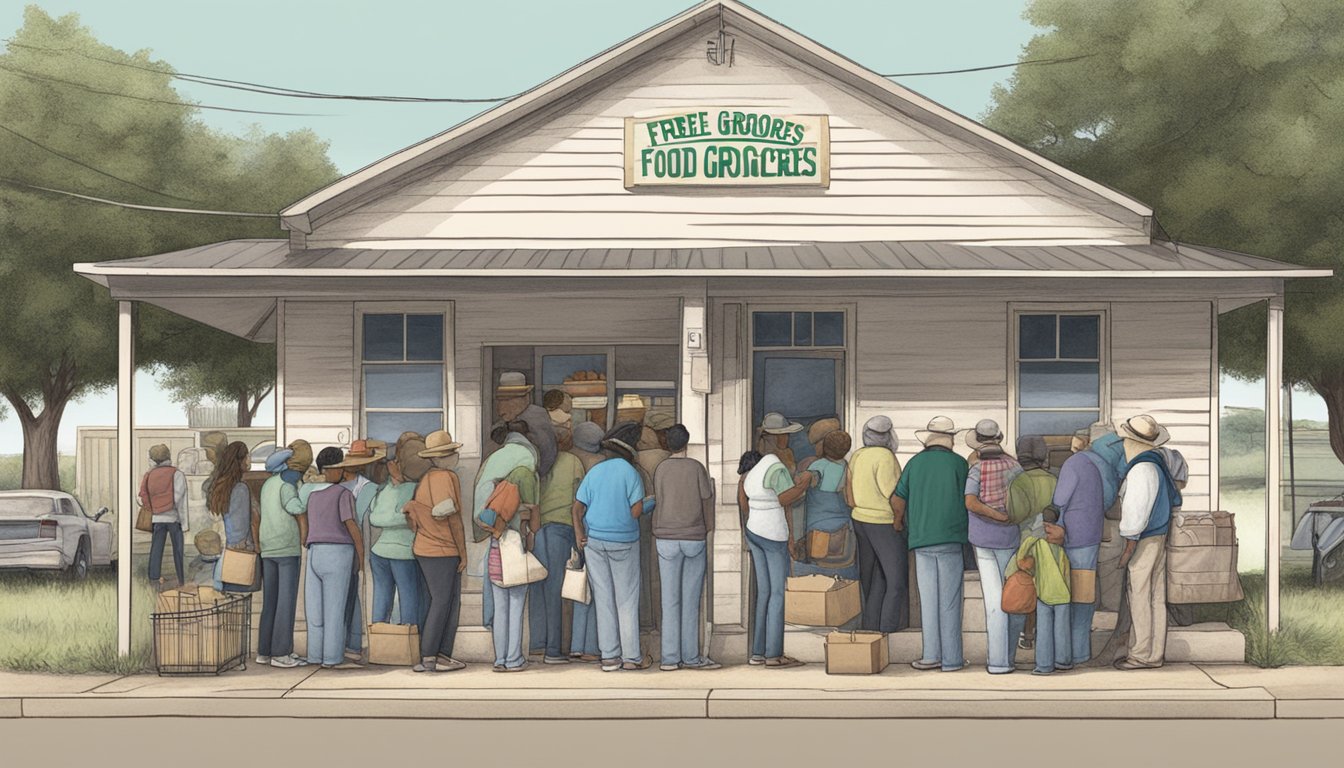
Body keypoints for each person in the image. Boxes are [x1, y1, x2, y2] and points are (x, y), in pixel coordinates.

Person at [573, 422, 652, 672]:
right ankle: (631, 657)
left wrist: (579, 533)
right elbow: (636, 510)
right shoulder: (631, 473)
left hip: (594, 541)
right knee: (626, 600)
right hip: (624, 541)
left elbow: (577, 508)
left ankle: (609, 657)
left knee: (604, 599)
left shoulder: (594, 472)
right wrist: (650, 504)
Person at [895, 417, 970, 672]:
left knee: (928, 601)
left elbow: (898, 499)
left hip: (921, 539)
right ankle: (952, 660)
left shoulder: (914, 463)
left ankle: (930, 656)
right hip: (951, 538)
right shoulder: (960, 463)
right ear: (950, 440)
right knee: (950, 602)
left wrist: (899, 523)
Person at [1115, 414, 1181, 670]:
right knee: (1155, 595)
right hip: (1159, 535)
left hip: (1143, 538)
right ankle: (1154, 654)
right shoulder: (1157, 464)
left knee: (1140, 595)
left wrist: (1128, 547)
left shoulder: (1141, 468)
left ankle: (1140, 654)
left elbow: (1135, 514)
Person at [653, 424, 719, 671]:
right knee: (691, 601)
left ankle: (670, 658)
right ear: (687, 443)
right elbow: (706, 499)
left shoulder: (661, 469)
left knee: (669, 601)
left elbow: (659, 499)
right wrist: (707, 529)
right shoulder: (696, 468)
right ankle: (690, 657)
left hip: (665, 537)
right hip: (693, 537)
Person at [963, 419, 1025, 675]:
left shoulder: (977, 469)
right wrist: (1005, 516)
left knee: (994, 599)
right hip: (1010, 538)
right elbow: (1024, 501)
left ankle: (998, 662)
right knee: (1012, 597)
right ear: (999, 439)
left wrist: (993, 515)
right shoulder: (1015, 467)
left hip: (983, 539)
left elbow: (970, 502)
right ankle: (1008, 657)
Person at [738, 446, 809, 668]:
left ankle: (757, 652)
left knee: (765, 592)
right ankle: (774, 654)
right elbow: (785, 498)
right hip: (772, 534)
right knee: (778, 593)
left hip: (754, 532)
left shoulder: (747, 478)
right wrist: (803, 485)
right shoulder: (775, 469)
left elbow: (743, 504)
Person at [404, 430, 469, 672]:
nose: (455, 456)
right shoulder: (446, 477)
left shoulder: (426, 479)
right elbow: (452, 518)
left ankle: (432, 655)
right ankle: (433, 655)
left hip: (423, 548)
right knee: (446, 603)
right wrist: (463, 553)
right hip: (443, 550)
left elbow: (414, 518)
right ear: (446, 456)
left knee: (434, 602)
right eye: (452, 452)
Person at [1006, 437, 1066, 674]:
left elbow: (1013, 515)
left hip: (1025, 545)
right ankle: (1050, 654)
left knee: (1021, 596)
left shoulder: (1017, 481)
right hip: (1051, 546)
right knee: (1047, 598)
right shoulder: (1055, 480)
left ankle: (1018, 646)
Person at [302, 446, 365, 670]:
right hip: (338, 552)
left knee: (315, 611)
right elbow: (351, 526)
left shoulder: (312, 495)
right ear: (333, 469)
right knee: (335, 610)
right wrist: (360, 555)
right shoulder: (344, 494)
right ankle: (332, 658)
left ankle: (314, 655)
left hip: (314, 552)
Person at [529, 424, 587, 665]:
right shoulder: (573, 461)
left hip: (539, 529)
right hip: (561, 529)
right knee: (555, 590)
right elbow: (580, 499)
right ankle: (554, 650)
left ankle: (537, 643)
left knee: (537, 588)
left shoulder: (539, 463)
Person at [845, 417, 906, 632]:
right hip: (883, 523)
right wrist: (899, 521)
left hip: (860, 520)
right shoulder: (886, 457)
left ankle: (870, 629)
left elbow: (849, 496)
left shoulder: (857, 455)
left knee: (873, 580)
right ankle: (888, 629)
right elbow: (894, 496)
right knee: (895, 580)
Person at [1052, 429, 1107, 667]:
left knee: (1068, 595)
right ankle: (1081, 650)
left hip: (1073, 536)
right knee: (1085, 596)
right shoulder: (1099, 465)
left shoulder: (1073, 464)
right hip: (1092, 534)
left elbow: (1060, 499)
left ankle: (1066, 653)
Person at [368, 434, 429, 630]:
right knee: (395, 596)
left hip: (396, 551)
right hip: (393, 552)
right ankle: (389, 642)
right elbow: (374, 518)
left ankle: (396, 643)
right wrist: (400, 517)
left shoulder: (410, 489)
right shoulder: (388, 489)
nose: (391, 464)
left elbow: (378, 517)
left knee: (400, 597)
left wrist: (394, 518)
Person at [256, 447, 308, 668]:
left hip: (268, 547)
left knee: (270, 601)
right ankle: (281, 653)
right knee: (286, 602)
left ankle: (264, 651)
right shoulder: (288, 485)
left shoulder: (269, 484)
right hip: (286, 547)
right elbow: (295, 507)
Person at [336, 439, 386, 665]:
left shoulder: (342, 487)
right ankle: (352, 645)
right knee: (352, 596)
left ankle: (350, 645)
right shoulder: (369, 488)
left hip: (348, 546)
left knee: (349, 597)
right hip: (356, 544)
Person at [796, 429, 858, 580]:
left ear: (825, 446)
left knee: (818, 572)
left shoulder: (817, 466)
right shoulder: (848, 467)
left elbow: (801, 490)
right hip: (845, 532)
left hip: (818, 532)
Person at [209, 442, 259, 595]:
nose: (249, 460)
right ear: (239, 461)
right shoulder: (241, 489)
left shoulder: (220, 487)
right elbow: (248, 523)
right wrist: (257, 546)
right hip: (243, 553)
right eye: (246, 457)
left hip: (226, 555)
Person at [139, 444, 188, 588]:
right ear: (168, 457)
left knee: (156, 548)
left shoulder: (148, 475)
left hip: (156, 518)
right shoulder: (177, 473)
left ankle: (154, 578)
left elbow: (142, 495)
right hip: (173, 518)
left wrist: (153, 508)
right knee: (178, 549)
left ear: (153, 459)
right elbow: (179, 498)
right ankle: (180, 578)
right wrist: (184, 523)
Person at [494, 371, 558, 476]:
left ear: (525, 398)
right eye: (501, 399)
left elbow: (545, 450)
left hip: (534, 473)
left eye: (508, 399)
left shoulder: (536, 415)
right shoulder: (513, 417)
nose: (501, 409)